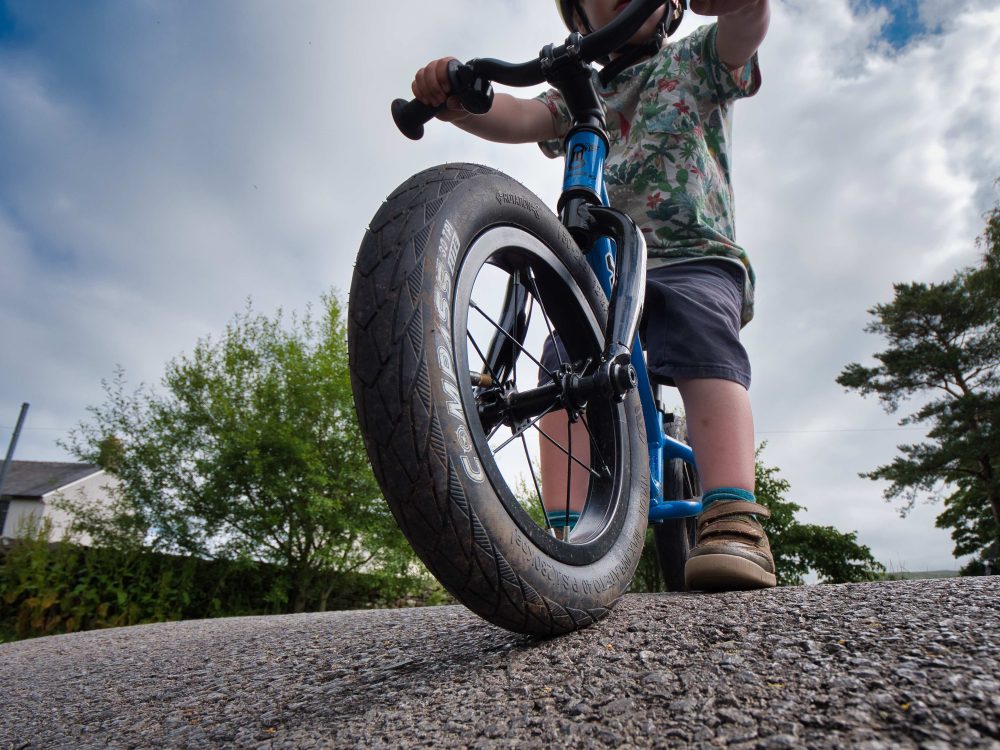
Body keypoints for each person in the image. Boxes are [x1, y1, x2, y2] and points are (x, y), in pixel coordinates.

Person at [411, 0, 775, 591]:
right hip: (603, 274)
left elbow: (744, 32)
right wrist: (461, 102)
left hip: (691, 253)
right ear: (579, 26)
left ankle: (733, 516)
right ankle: (570, 534)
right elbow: (521, 114)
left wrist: (744, 4)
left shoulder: (696, 59)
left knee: (701, 341)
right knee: (562, 371)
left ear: (670, 9)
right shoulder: (583, 93)